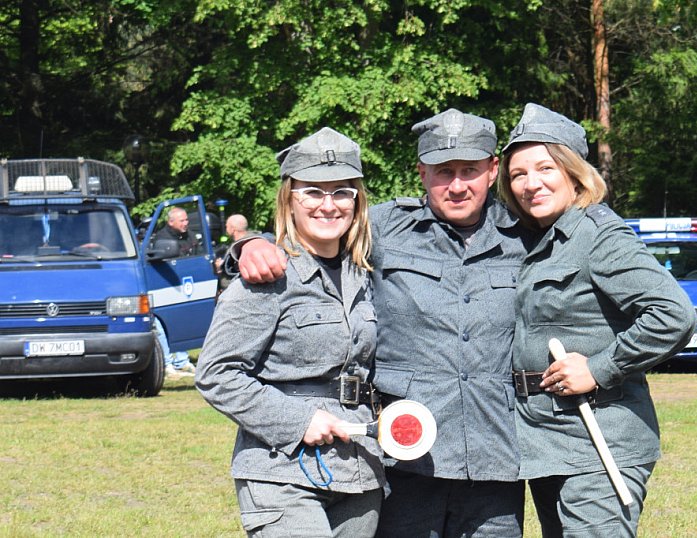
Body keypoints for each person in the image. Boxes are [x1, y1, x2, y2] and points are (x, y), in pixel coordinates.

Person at [229, 109, 531, 537]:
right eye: (444, 172)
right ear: (422, 172)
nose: (458, 185)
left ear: (493, 169)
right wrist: (249, 243)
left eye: (470, 170)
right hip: (404, 462)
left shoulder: (528, 236)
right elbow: (318, 221)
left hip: (494, 459)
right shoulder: (382, 228)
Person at [497, 103, 697, 537]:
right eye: (518, 174)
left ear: (573, 172)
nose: (532, 184)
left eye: (545, 168)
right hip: (546, 441)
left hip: (599, 438)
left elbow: (674, 315)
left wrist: (599, 367)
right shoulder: (537, 240)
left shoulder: (598, 234)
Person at [195, 127, 385, 537]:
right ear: (290, 200)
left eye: (341, 192)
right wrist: (297, 420)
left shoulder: (365, 272)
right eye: (313, 192)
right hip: (281, 469)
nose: (328, 205)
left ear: (357, 201)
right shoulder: (267, 275)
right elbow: (216, 373)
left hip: (359, 471)